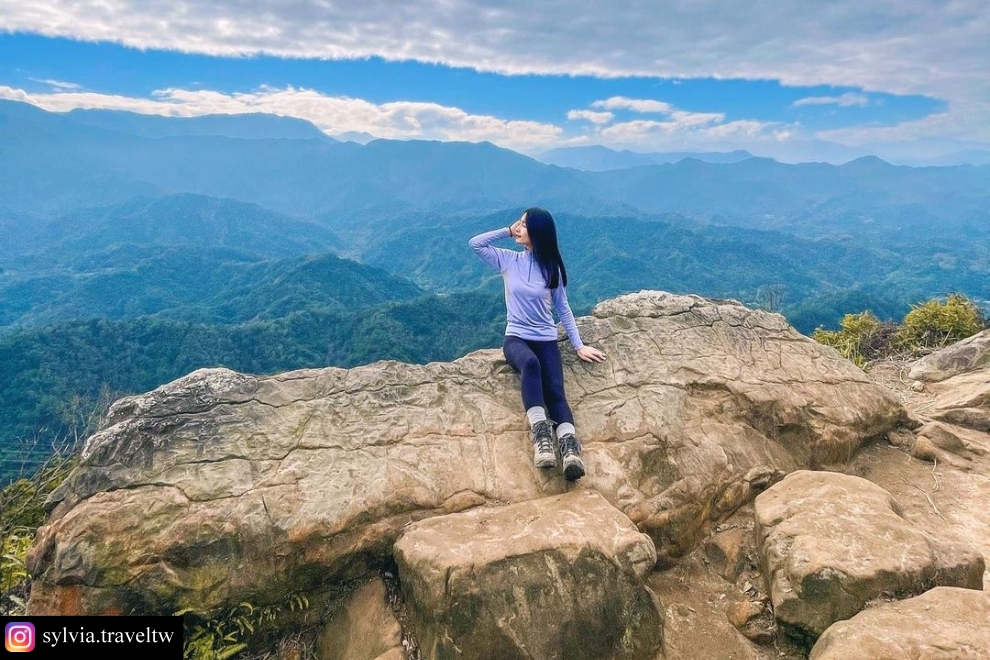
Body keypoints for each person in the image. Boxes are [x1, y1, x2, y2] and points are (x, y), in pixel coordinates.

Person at [469, 208, 607, 481]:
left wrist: (579, 346)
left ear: (538, 233)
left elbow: (563, 310)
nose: (519, 227)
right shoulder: (508, 260)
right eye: (518, 223)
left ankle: (569, 448)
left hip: (546, 339)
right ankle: (541, 434)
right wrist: (507, 231)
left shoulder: (551, 269)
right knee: (530, 365)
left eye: (524, 224)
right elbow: (476, 243)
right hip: (516, 338)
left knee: (555, 391)